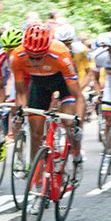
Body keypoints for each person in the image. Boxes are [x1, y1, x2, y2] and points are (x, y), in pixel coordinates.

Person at [11, 23, 84, 168]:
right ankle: (35, 175)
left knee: (69, 123)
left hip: (63, 83)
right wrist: (20, 112)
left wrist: (79, 122)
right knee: (36, 133)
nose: (35, 61)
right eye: (31, 57)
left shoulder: (61, 55)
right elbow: (20, 92)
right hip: (39, 85)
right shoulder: (17, 57)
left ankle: (76, 153)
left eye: (39, 57)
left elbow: (78, 96)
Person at [0, 27, 23, 102]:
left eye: (14, 50)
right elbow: (0, 85)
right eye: (7, 49)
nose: (10, 53)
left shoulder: (28, 55)